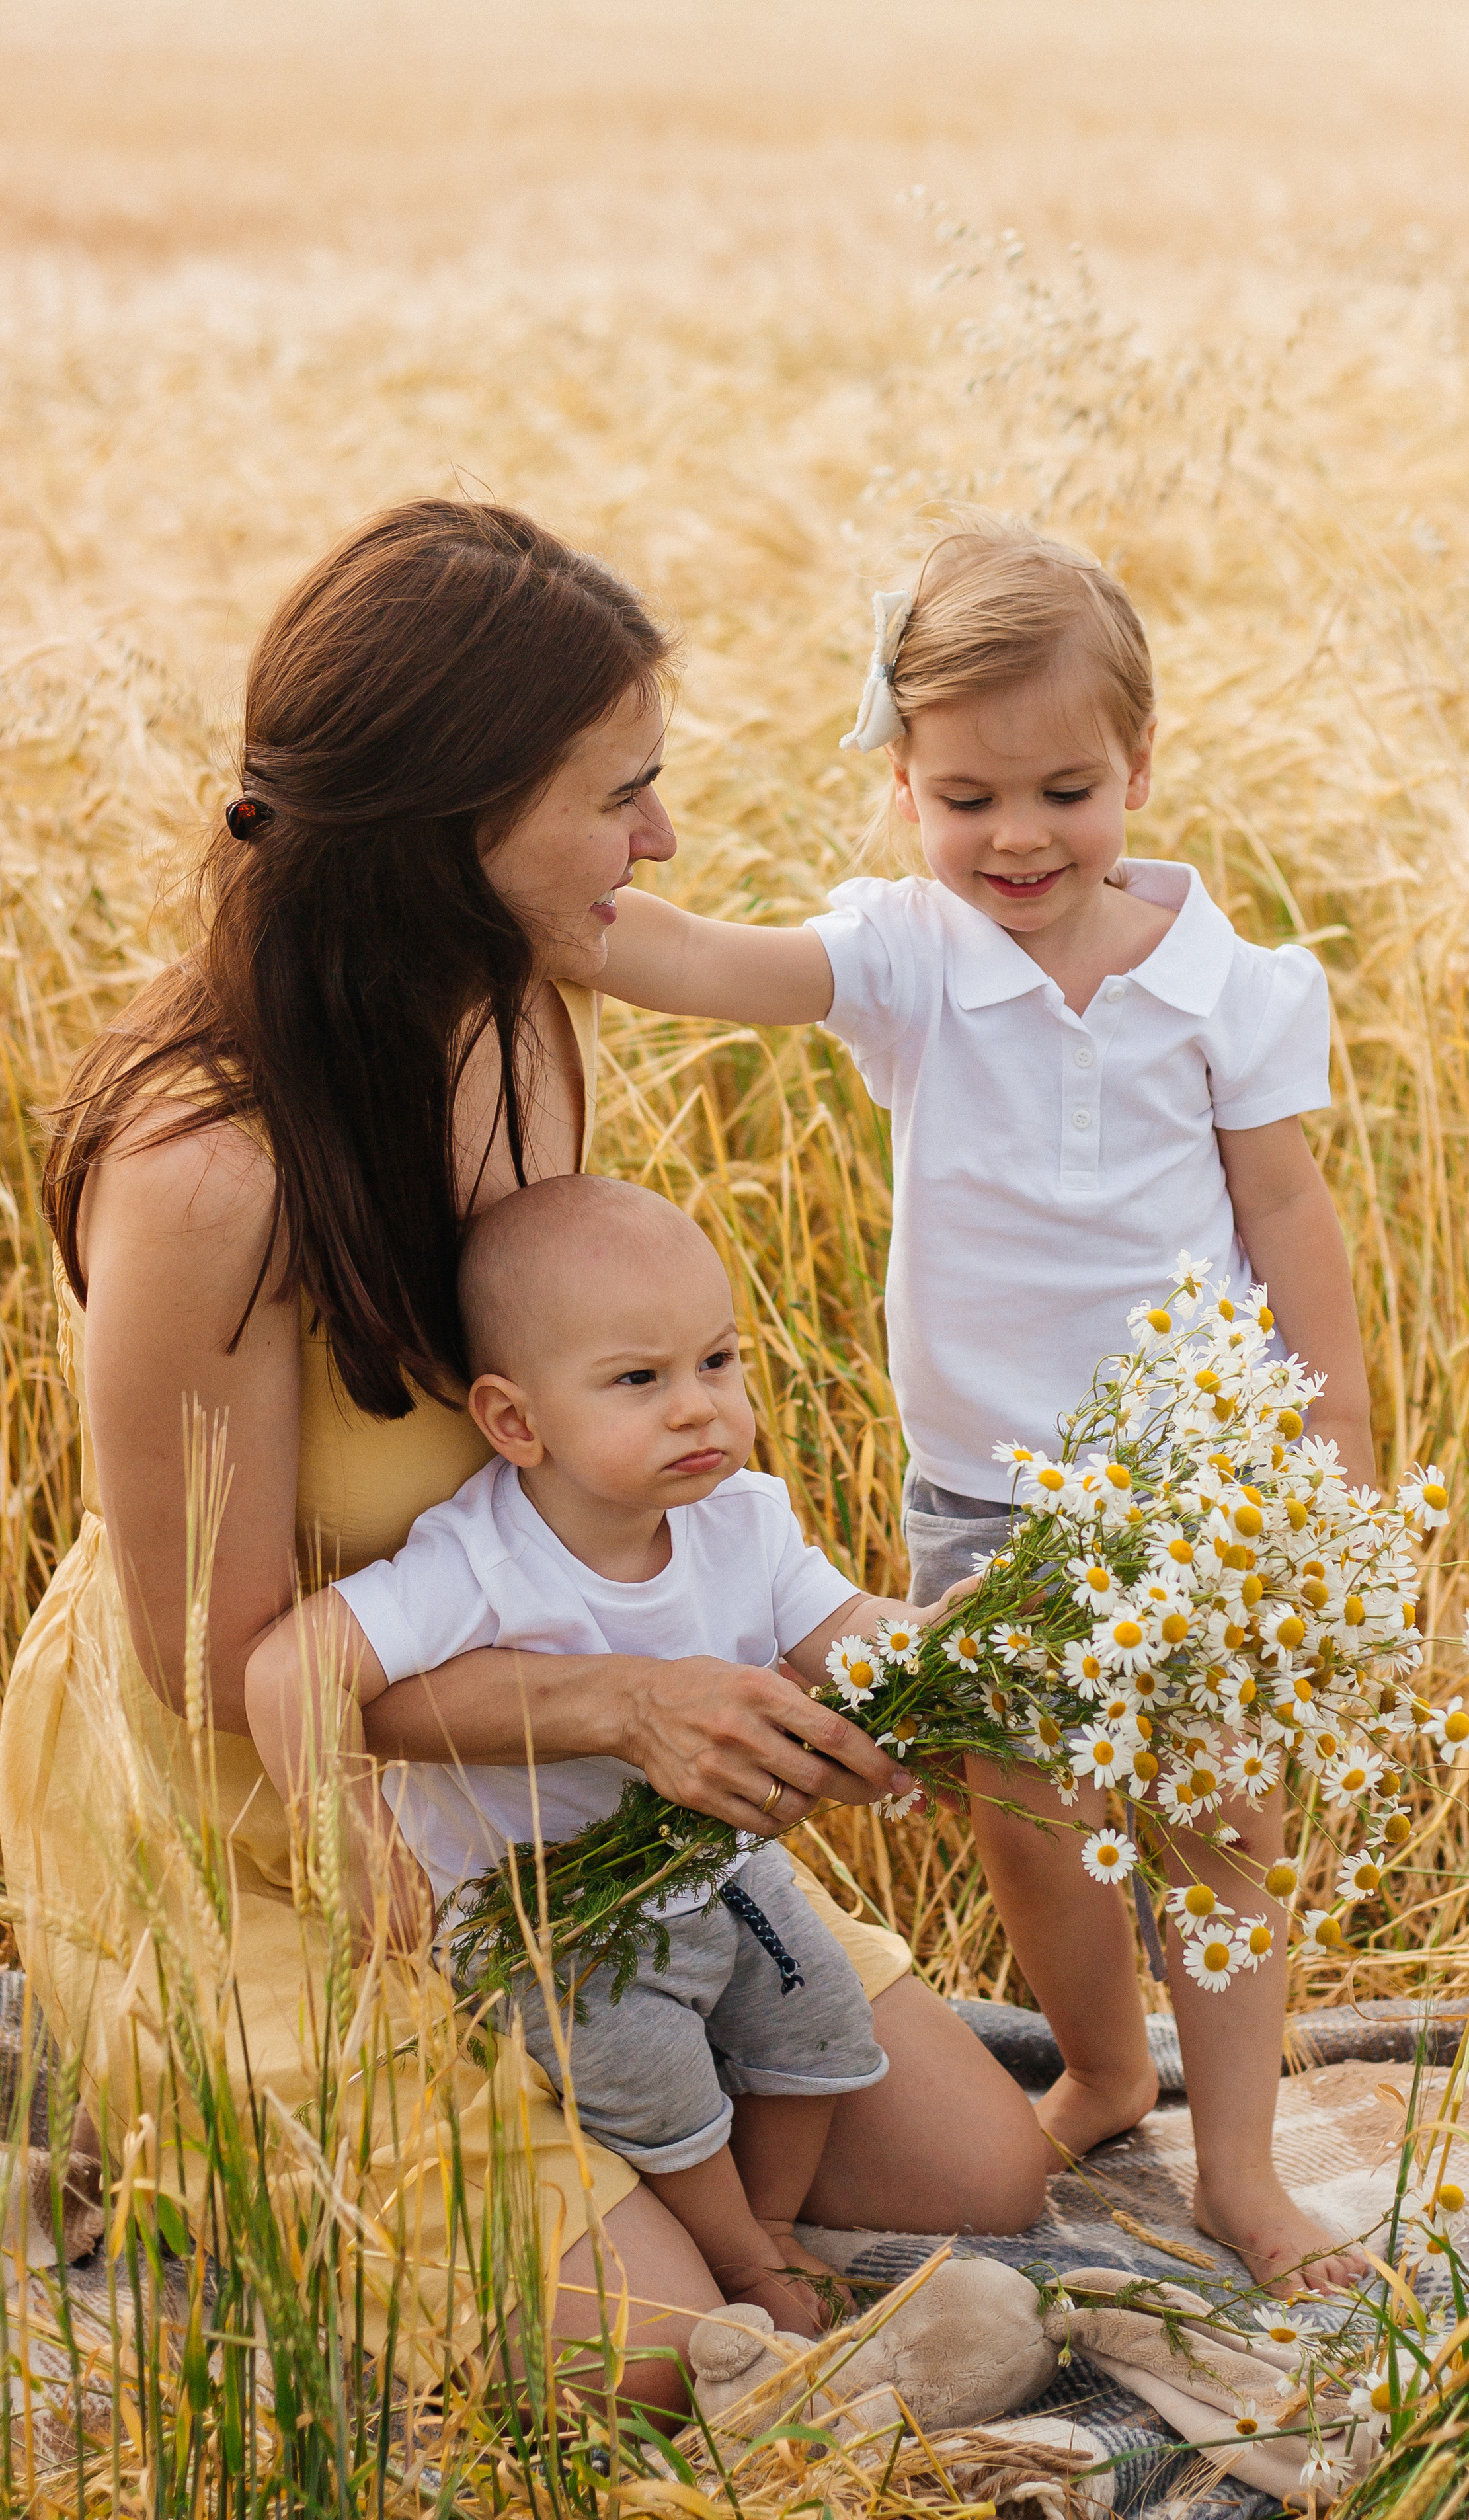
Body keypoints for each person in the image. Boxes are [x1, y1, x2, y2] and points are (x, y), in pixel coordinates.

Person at [0, 499, 1049, 2418]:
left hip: (529, 1734)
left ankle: (602, 2090)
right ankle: (195, 2089)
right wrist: (624, 1708)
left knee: (991, 2174)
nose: (661, 841)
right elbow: (206, 1676)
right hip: (268, 1802)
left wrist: (865, 1664)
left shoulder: (524, 999)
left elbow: (584, 1451)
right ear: (444, 829)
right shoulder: (203, 1178)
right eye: (620, 795)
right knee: (647, 2361)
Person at [588, 514, 1377, 2293]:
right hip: (990, 1496)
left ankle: (1239, 2168)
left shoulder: (1220, 984)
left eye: (1064, 791)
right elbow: (704, 961)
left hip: (1208, 1496)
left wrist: (1334, 1448)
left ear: (1141, 771)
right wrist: (512, 888)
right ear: (900, 788)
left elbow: (1287, 1210)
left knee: (1218, 1829)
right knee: (1029, 1821)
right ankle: (1101, 2068)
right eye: (965, 799)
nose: (1016, 838)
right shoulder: (908, 956)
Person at [247, 1174, 965, 2340]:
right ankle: (740, 2258)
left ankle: (766, 2222)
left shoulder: (747, 1521)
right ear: (517, 1421)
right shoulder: (477, 1563)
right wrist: (352, 1838)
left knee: (824, 2017)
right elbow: (289, 1668)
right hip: (547, 1908)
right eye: (641, 1380)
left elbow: (841, 1638)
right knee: (645, 2065)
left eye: (719, 1363)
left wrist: (940, 1641)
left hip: (712, 1867)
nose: (701, 1410)